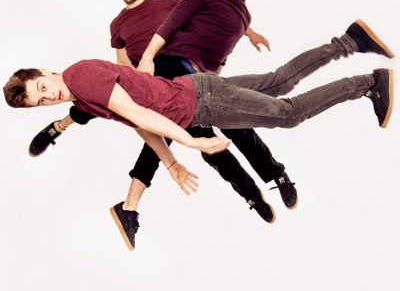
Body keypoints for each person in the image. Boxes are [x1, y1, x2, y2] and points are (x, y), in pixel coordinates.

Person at [3, 18, 395, 251]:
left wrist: (191, 141)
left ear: (44, 72)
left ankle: (367, 84)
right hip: (197, 90)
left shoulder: (81, 78)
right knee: (279, 82)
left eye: (42, 88)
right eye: (41, 102)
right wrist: (172, 162)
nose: (49, 96)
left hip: (201, 104)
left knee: (288, 114)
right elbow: (138, 123)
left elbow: (139, 112)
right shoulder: (82, 93)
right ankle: (350, 41)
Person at [28, 0, 299, 243]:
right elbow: (121, 67)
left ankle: (276, 174)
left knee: (237, 125)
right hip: (152, 80)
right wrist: (132, 88)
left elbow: (210, 9)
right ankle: (251, 195)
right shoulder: (117, 25)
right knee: (195, 141)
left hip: (181, 67)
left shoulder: (167, 1)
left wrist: (250, 32)